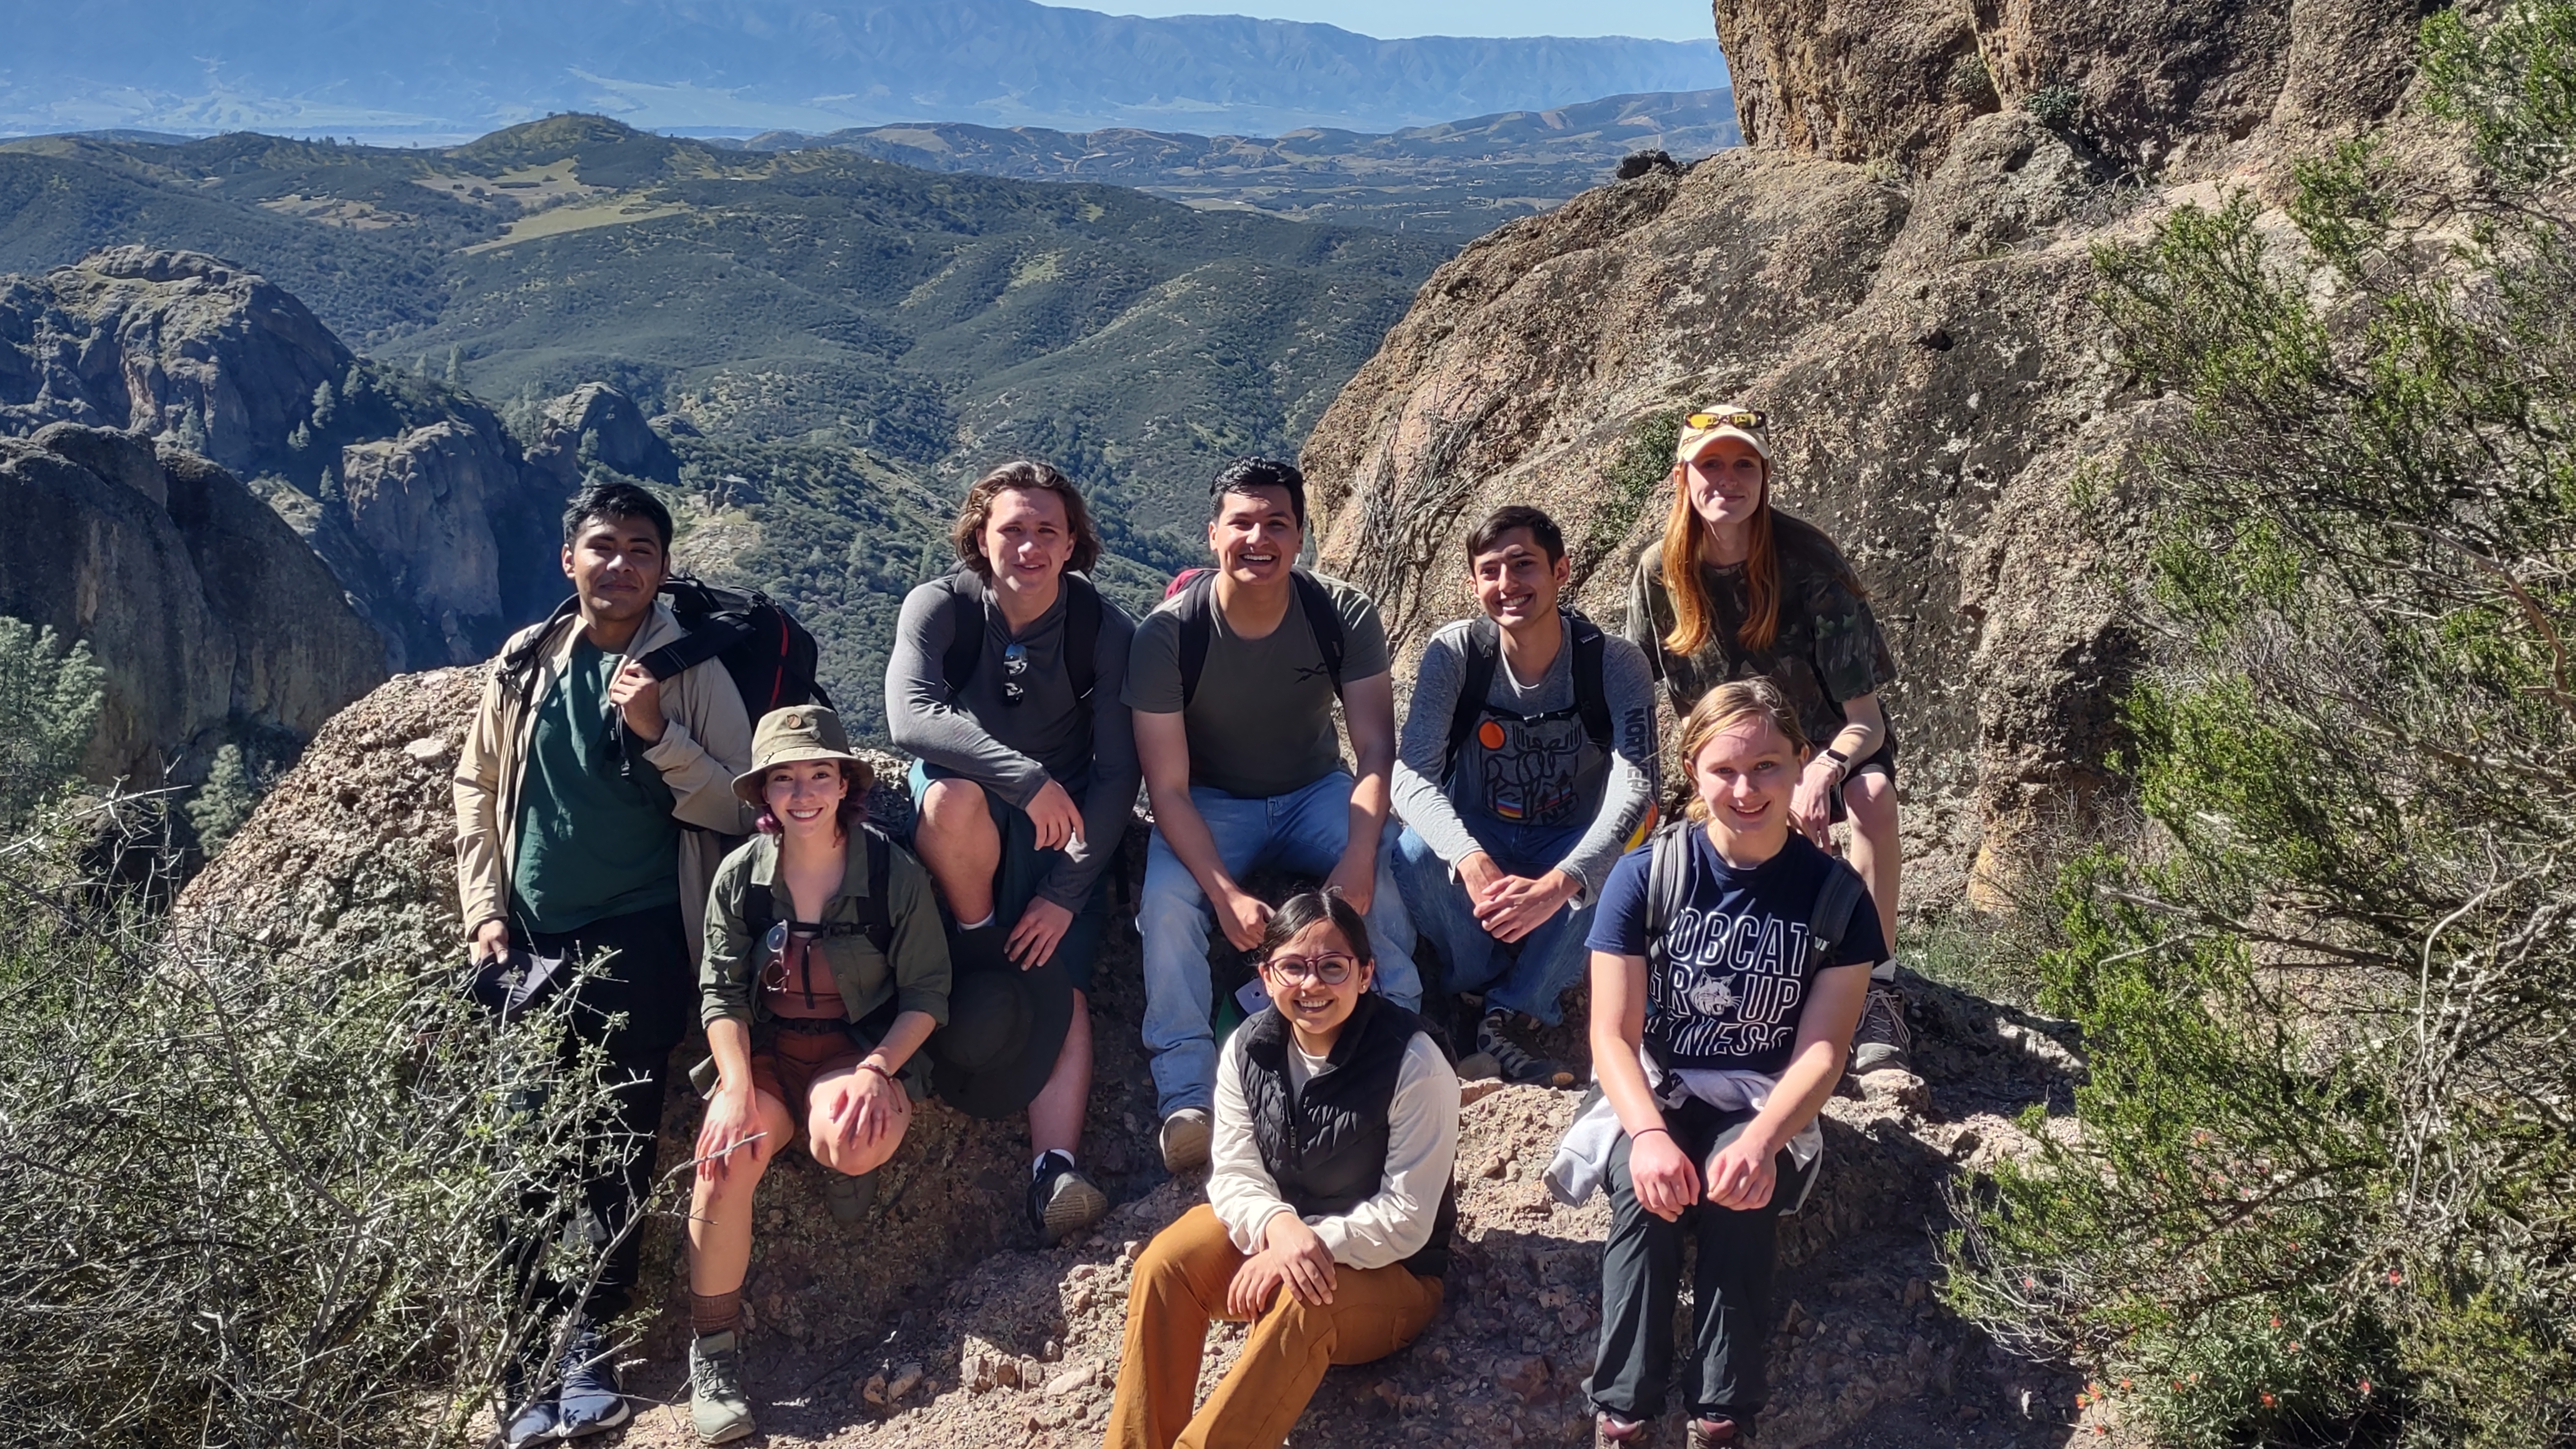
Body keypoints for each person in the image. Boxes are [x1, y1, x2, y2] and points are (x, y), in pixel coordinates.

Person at [454, 481, 755, 1444]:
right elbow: (478, 784)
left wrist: (657, 735)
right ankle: (526, 1356)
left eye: (640, 549)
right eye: (602, 546)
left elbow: (743, 806)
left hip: (641, 935)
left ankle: (591, 1340)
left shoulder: (687, 665)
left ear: (664, 568)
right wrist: (484, 916)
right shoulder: (527, 661)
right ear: (568, 560)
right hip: (531, 940)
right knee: (522, 1149)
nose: (619, 564)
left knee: (618, 1144)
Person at [1565, 680, 1883, 1447]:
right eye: (1724, 772)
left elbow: (1823, 1050)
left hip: (1766, 1098)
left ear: (1801, 766)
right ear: (1693, 772)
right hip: (1658, 1087)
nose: (1746, 791)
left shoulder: (1836, 900)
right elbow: (1611, 1034)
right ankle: (1623, 1416)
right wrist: (1645, 1137)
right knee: (1648, 1202)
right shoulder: (1647, 877)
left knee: (1743, 1197)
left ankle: (1720, 1420)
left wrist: (1763, 1139)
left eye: (1768, 767)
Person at [1126, 457, 1424, 1174]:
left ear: (1301, 536)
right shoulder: (1169, 636)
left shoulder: (1338, 612)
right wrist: (1224, 893)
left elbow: (1376, 748)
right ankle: (1188, 1097)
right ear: (1213, 535)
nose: (1258, 538)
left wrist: (1356, 853)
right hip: (1210, 799)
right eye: (1243, 523)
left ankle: (1407, 1038)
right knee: (1167, 902)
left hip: (1314, 785)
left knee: (1379, 871)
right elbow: (1165, 787)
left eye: (1277, 524)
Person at [683, 706, 952, 1444]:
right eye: (784, 780)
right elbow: (721, 993)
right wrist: (735, 1089)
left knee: (855, 1136)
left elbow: (928, 992)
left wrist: (877, 1070)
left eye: (819, 776)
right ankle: (714, 1358)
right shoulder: (743, 877)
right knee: (722, 1160)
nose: (803, 793)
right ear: (764, 794)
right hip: (769, 1053)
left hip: (851, 1049)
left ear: (844, 785)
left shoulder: (891, 872)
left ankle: (829, 1152)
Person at [887, 459, 1139, 1244]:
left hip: (1062, 822)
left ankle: (1053, 1169)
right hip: (978, 797)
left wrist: (1065, 893)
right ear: (979, 538)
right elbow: (910, 718)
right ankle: (974, 936)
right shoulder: (943, 606)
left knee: (1056, 986)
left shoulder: (1103, 630)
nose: (1028, 547)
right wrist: (1024, 778)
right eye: (1011, 530)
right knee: (953, 800)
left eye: (1046, 532)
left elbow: (1115, 774)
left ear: (1072, 545)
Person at [1105, 890, 1459, 1449]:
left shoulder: (1414, 1063)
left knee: (1303, 1297)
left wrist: (1302, 1244)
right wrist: (1279, 1228)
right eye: (1293, 967)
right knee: (1165, 1265)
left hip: (1396, 1272)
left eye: (1332, 967)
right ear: (1267, 978)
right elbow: (1234, 1173)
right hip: (1285, 1234)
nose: (1311, 985)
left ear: (1365, 974)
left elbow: (1408, 1218)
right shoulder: (1248, 1048)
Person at [1623, 405, 1912, 1076]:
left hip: (1820, 757)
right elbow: (1640, 693)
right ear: (1682, 479)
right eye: (1711, 464)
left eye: (1743, 464)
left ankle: (1876, 990)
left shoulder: (1808, 562)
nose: (1728, 479)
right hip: (1725, 772)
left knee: (1872, 797)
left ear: (1765, 477)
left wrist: (1821, 774)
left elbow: (1865, 719)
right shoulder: (1658, 574)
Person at [1391, 504, 1659, 1086]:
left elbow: (1638, 783)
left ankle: (1511, 1013)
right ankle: (1476, 980)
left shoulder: (1613, 663)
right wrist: (1468, 856)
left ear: (1561, 572)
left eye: (1524, 565)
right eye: (1491, 571)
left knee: (1620, 867)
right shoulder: (1457, 655)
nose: (1508, 585)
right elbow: (1411, 775)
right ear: (1473, 584)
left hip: (1569, 837)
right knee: (1412, 854)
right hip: (1483, 830)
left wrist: (1567, 879)